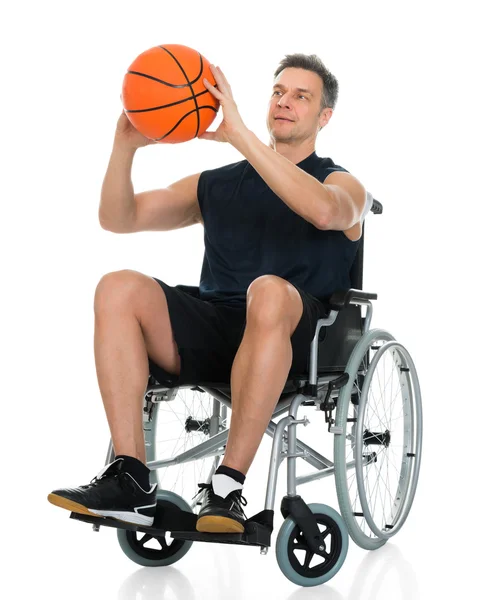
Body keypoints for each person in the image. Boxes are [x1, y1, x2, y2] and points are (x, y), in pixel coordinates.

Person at [47, 53, 371, 534]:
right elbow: (119, 218)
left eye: (301, 96)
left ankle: (226, 486)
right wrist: (124, 145)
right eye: (278, 92)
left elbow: (326, 213)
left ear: (324, 117)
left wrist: (240, 135)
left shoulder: (342, 183)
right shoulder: (217, 185)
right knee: (116, 286)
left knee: (268, 292)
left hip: (302, 341)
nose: (285, 102)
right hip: (219, 329)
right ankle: (131, 480)